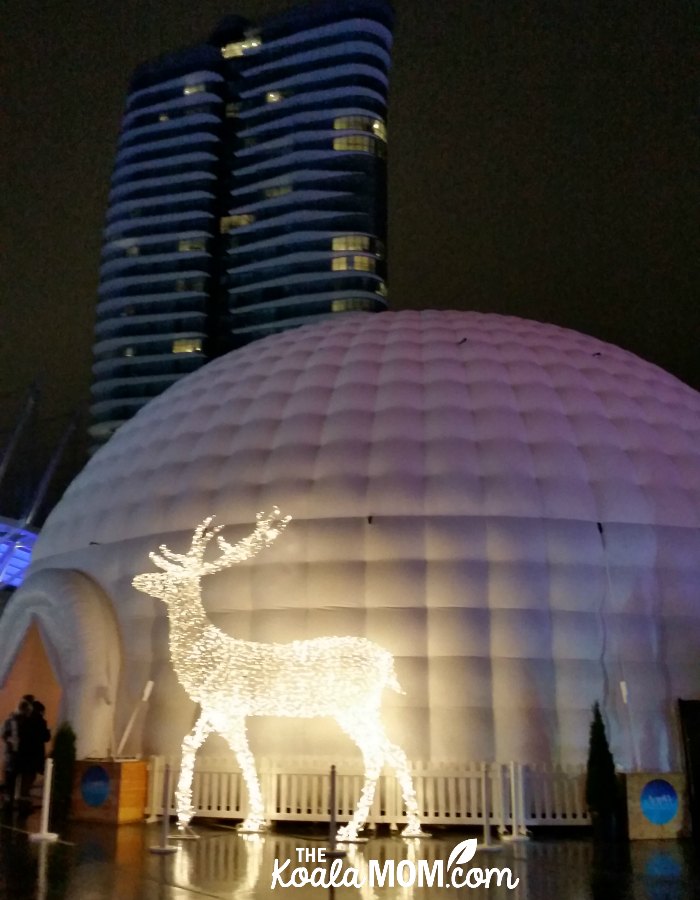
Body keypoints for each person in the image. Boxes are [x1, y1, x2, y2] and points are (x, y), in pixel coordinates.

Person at [1, 699, 32, 806]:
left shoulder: (19, 721)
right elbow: (4, 734)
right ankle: (9, 797)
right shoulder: (12, 721)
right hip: (13, 754)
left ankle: (11, 797)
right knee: (11, 777)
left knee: (13, 776)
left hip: (17, 754)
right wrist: (10, 743)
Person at [21, 700, 51, 802]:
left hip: (25, 753)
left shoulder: (26, 720)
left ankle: (22, 798)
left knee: (25, 776)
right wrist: (47, 731)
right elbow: (46, 737)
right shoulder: (41, 722)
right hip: (35, 753)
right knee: (30, 776)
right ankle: (24, 800)